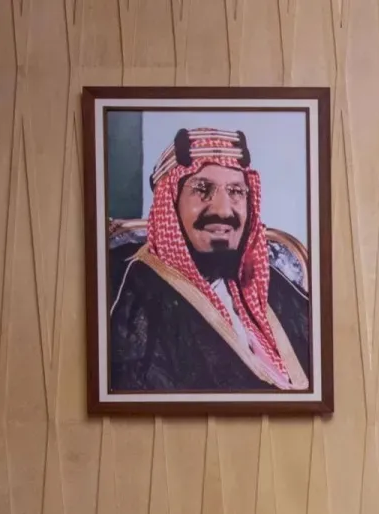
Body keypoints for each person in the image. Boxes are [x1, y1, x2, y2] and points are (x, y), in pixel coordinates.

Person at [108, 127, 312, 392]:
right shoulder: (135, 295)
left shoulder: (269, 281)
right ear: (170, 203)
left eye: (236, 191)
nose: (223, 210)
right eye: (202, 189)